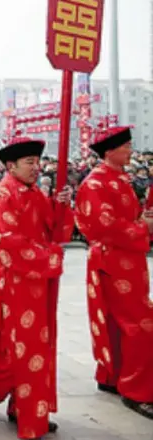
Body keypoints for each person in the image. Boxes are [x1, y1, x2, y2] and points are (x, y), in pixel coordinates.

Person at [0, 137, 74, 440]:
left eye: (37, 162)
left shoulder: (35, 193)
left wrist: (60, 205)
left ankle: (26, 409)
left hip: (37, 280)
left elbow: (51, 228)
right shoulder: (0, 197)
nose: (36, 168)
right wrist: (49, 257)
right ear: (11, 166)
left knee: (36, 345)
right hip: (14, 282)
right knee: (13, 348)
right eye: (30, 163)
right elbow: (8, 244)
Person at [74, 126, 153, 420]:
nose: (131, 151)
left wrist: (140, 221)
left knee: (120, 322)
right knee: (139, 325)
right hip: (114, 260)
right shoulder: (95, 184)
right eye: (127, 146)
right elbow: (103, 226)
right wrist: (142, 227)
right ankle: (137, 390)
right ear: (110, 152)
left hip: (127, 260)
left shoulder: (118, 178)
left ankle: (112, 376)